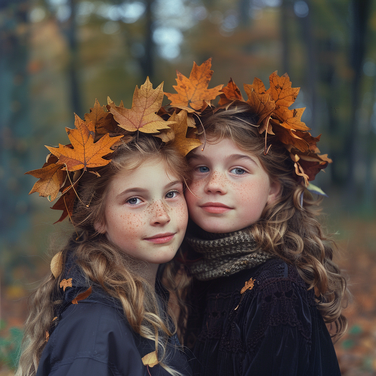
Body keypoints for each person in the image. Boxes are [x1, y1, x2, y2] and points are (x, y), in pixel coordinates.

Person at [166, 63, 348, 375]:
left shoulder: (276, 290)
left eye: (238, 169)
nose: (214, 184)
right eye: (201, 168)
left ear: (273, 190)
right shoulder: (209, 271)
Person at [17, 79, 196, 376]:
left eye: (171, 193)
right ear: (99, 217)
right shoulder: (96, 326)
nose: (161, 215)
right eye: (135, 200)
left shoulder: (147, 301)